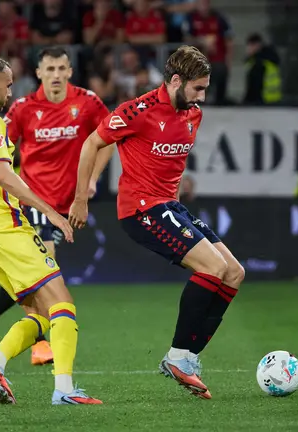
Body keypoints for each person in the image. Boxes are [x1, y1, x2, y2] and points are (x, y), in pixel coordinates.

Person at [69, 46, 246, 400]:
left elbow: (171, 164)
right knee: (212, 267)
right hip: (141, 209)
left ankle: (188, 357)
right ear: (175, 81)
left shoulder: (193, 115)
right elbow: (93, 143)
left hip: (170, 206)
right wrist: (81, 198)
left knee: (234, 272)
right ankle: (178, 356)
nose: (203, 97)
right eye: (198, 88)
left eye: (206, 88)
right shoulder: (138, 111)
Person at [0, 50, 101, 406]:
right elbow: (3, 174)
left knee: (39, 313)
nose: (9, 94)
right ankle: (64, 389)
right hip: (6, 229)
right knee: (63, 303)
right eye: (7, 86)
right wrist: (51, 213)